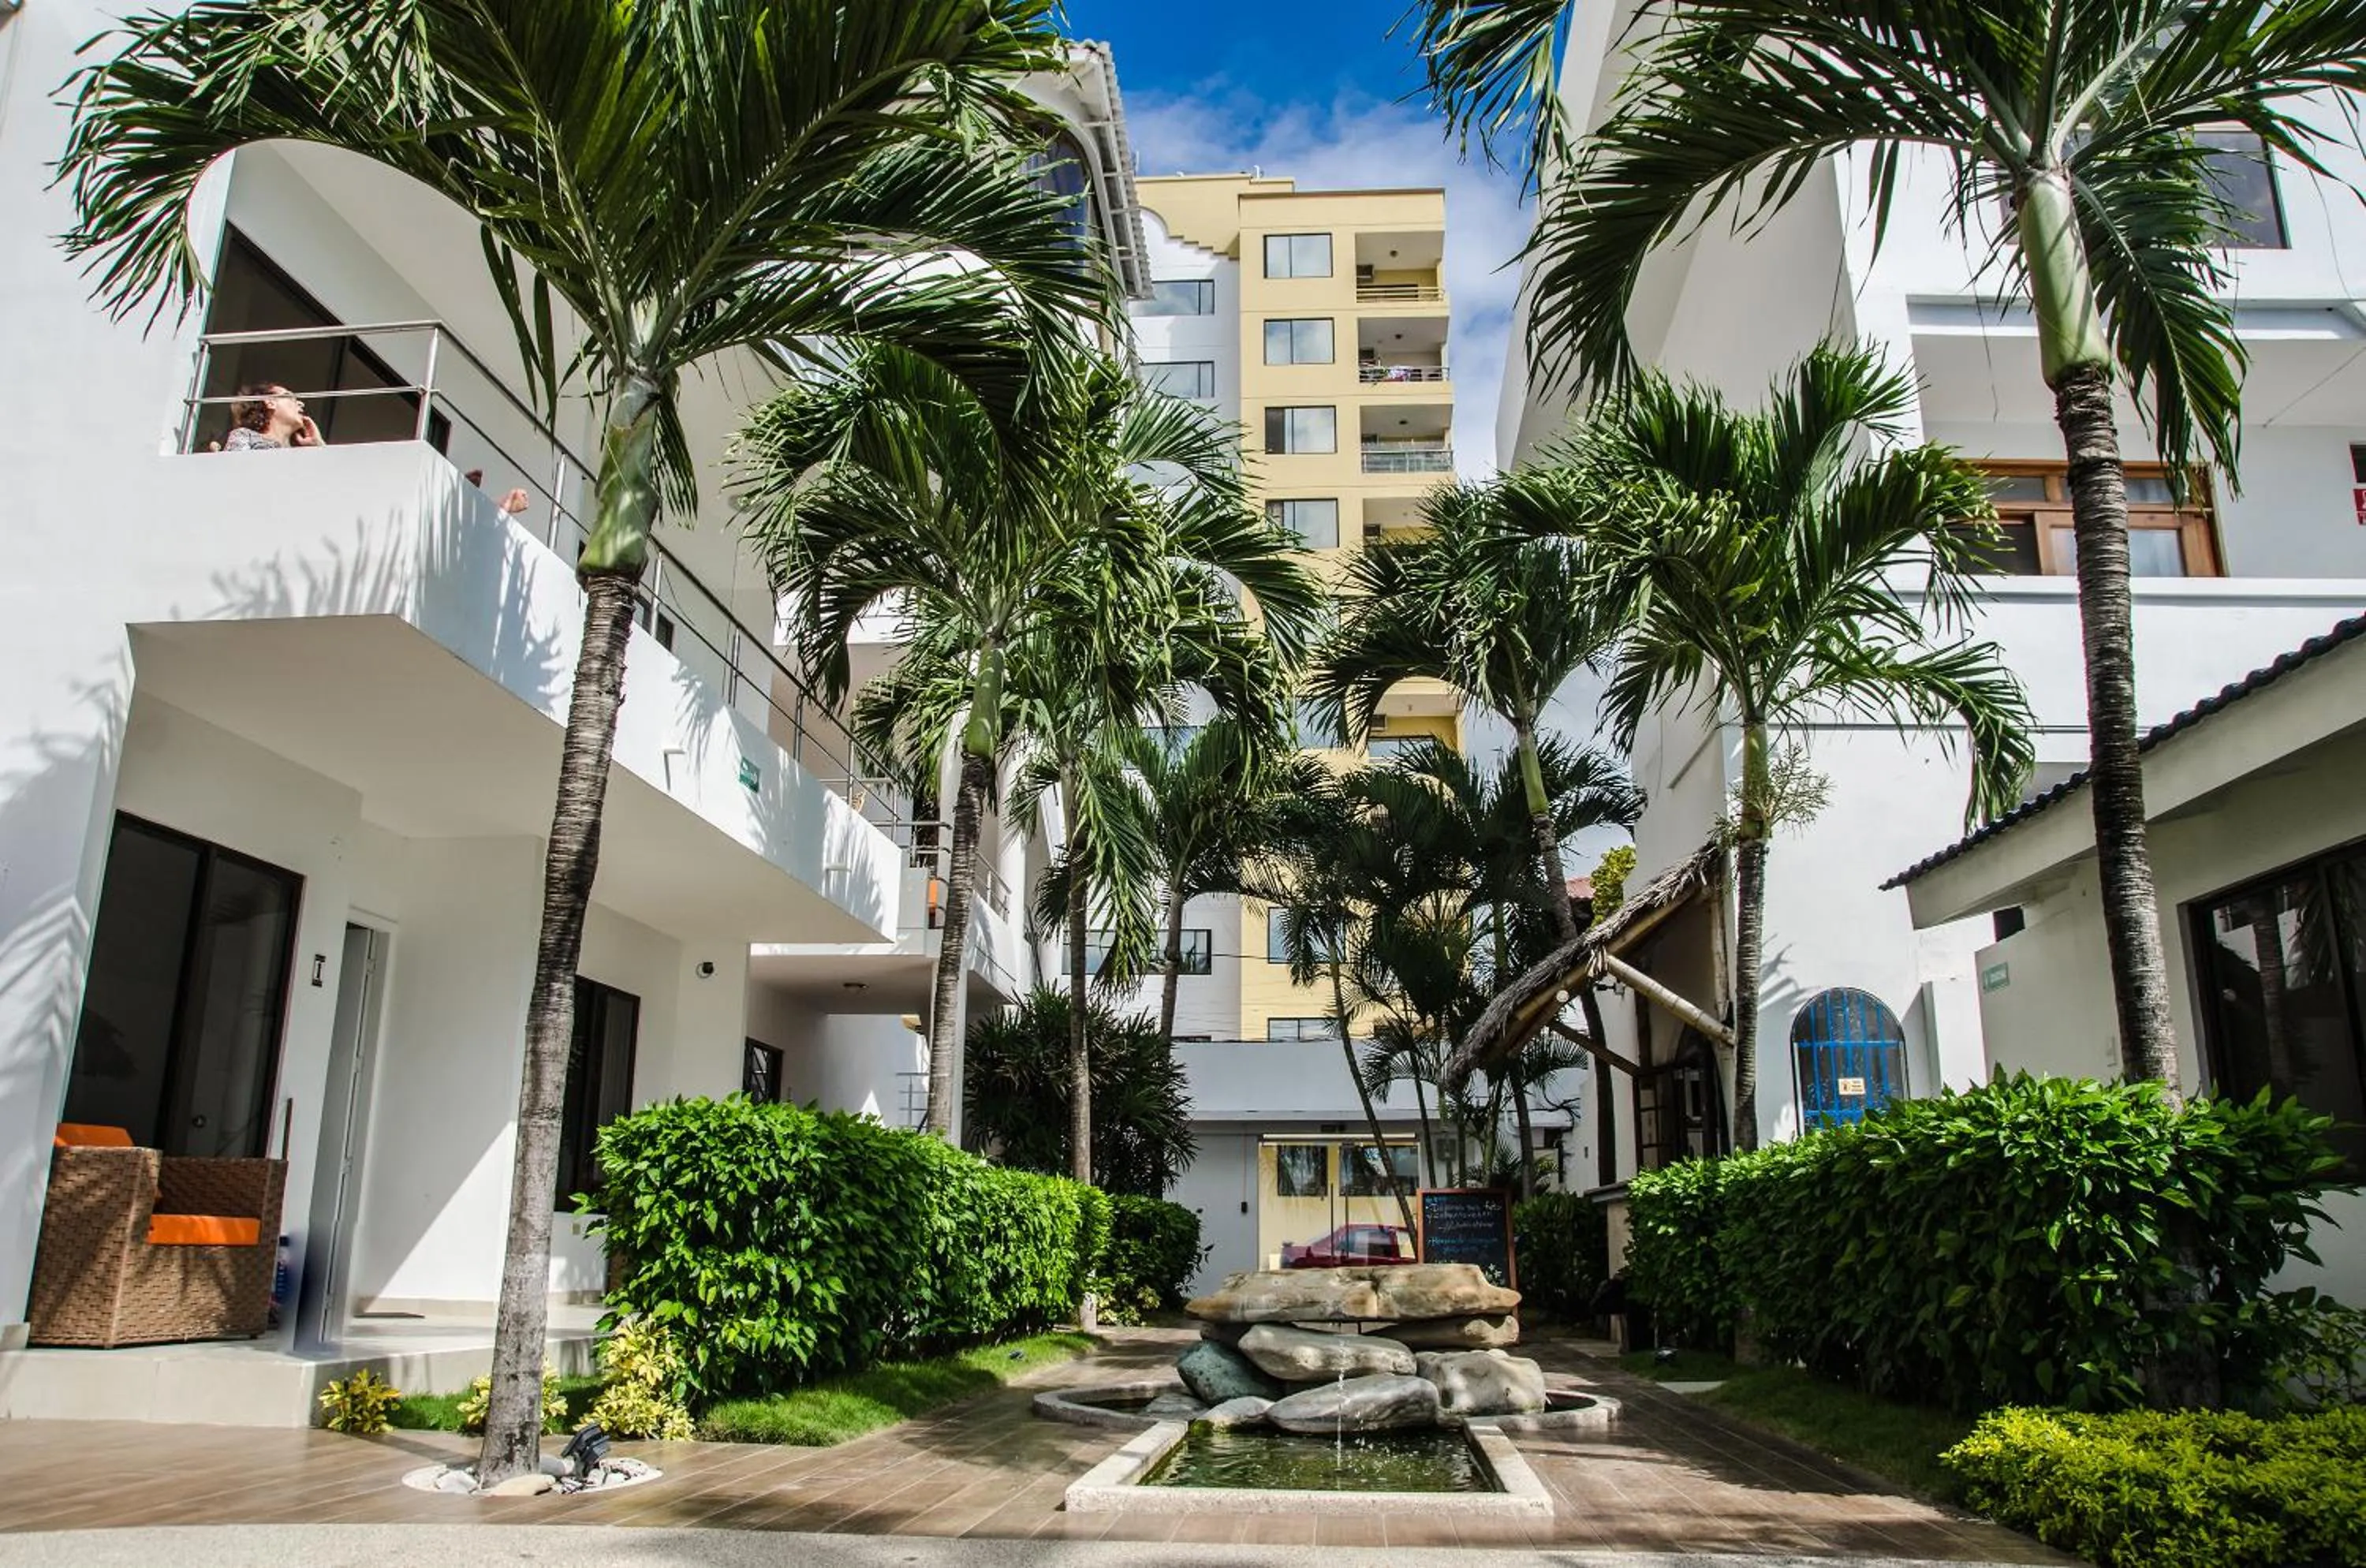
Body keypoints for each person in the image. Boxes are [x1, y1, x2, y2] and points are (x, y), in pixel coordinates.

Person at [222, 383, 321, 450]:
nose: (301, 404)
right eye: (290, 397)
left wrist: (319, 446)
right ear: (270, 402)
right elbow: (236, 470)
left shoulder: (300, 454)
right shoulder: (245, 436)